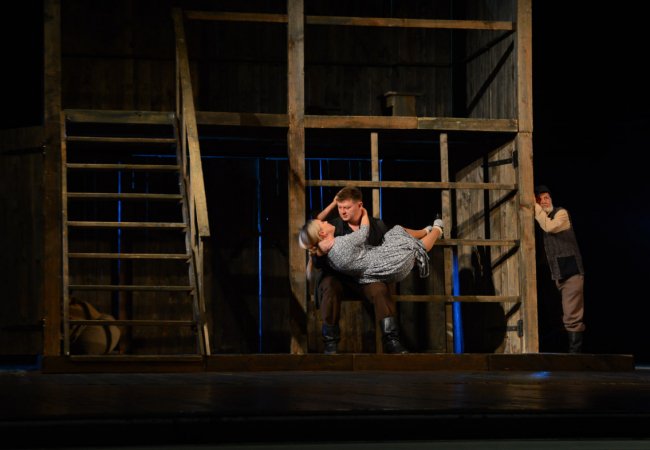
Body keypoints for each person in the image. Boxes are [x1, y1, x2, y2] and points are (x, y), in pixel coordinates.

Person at [300, 186, 443, 355]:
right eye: (340, 207)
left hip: (367, 275)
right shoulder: (333, 227)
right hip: (340, 278)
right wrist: (317, 252)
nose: (342, 211)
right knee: (329, 285)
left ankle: (391, 340)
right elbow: (314, 236)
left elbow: (389, 245)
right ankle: (330, 343)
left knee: (380, 289)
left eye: (347, 207)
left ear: (359, 205)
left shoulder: (376, 225)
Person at [533, 185, 586, 353]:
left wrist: (535, 207)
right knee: (553, 315)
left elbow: (551, 227)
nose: (544, 201)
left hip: (570, 271)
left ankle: (574, 354)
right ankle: (557, 352)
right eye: (539, 199)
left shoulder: (561, 213)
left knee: (572, 314)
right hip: (549, 274)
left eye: (546, 197)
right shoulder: (534, 221)